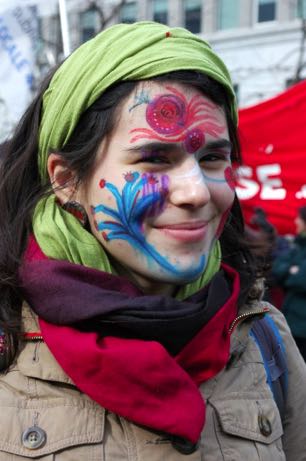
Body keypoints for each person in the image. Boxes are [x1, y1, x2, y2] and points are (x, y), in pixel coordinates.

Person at [0, 21, 305, 460]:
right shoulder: (9, 337)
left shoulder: (264, 337)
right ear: (67, 180)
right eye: (155, 159)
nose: (197, 191)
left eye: (213, 158)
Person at [272, 206, 306, 361]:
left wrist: (293, 273)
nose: (296, 221)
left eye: (300, 218)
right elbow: (277, 270)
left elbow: (301, 280)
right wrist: (292, 271)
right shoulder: (298, 245)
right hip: (292, 324)